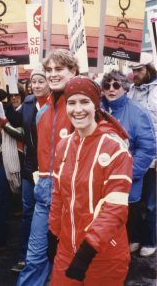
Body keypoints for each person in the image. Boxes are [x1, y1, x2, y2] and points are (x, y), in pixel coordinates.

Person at [48, 75, 133, 285]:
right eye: (72, 103)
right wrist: (52, 233)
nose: (78, 109)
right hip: (67, 250)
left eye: (84, 101)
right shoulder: (63, 146)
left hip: (104, 255)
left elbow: (115, 209)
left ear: (96, 105)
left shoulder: (115, 148)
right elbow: (58, 195)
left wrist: (87, 252)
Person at [16, 49, 79, 286]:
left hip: (72, 198)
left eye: (59, 69)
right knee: (35, 257)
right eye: (49, 70)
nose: (52, 74)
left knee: (68, 260)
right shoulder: (42, 112)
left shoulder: (82, 108)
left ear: (73, 71)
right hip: (44, 194)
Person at [101, 69, 155, 256]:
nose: (111, 89)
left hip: (127, 178)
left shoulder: (137, 112)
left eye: (116, 85)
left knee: (130, 213)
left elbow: (147, 148)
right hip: (104, 178)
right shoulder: (99, 109)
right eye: (107, 85)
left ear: (125, 88)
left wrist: (129, 173)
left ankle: (134, 241)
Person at [6, 68, 50, 273]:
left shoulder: (58, 102)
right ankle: (25, 256)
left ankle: (49, 257)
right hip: (30, 168)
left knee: (50, 215)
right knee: (28, 213)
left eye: (42, 81)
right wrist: (5, 103)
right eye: (34, 82)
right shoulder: (30, 102)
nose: (37, 85)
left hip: (50, 170)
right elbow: (16, 122)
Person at [0, 88, 25, 256]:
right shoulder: (3, 112)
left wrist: (6, 125)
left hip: (25, 163)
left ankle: (26, 248)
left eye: (17, 95)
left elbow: (23, 134)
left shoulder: (27, 111)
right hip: (5, 161)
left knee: (27, 206)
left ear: (22, 96)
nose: (14, 98)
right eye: (11, 96)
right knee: (1, 202)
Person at [128, 52, 157, 257]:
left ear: (148, 69)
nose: (135, 74)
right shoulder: (129, 91)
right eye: (133, 70)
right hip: (134, 158)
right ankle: (136, 237)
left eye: (139, 70)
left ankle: (150, 240)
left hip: (154, 158)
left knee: (152, 203)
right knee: (134, 202)